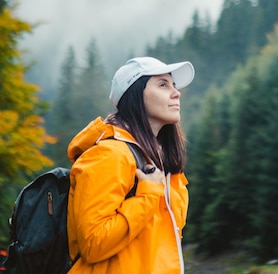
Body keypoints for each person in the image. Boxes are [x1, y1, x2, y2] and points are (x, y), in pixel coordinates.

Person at [66, 55, 195, 274]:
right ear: (135, 96)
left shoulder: (162, 166)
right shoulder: (109, 155)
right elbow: (93, 243)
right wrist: (146, 197)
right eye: (163, 85)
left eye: (173, 85)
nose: (176, 92)